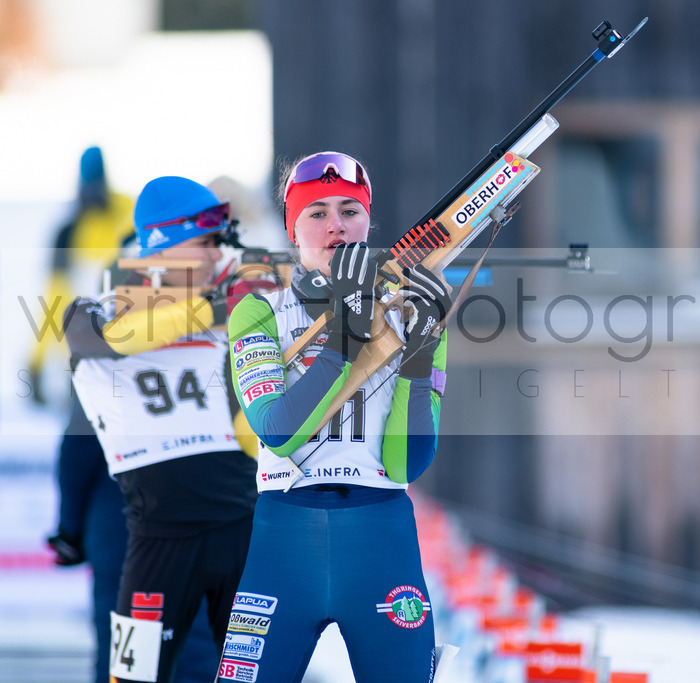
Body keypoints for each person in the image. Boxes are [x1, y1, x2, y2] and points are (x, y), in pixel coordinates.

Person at [216, 151, 450, 682]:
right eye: (316, 213)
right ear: (292, 229)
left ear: (369, 220)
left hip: (380, 536)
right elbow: (276, 431)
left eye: (350, 210)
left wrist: (418, 359)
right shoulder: (261, 309)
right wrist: (343, 338)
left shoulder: (411, 312)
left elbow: (404, 464)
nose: (336, 225)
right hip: (285, 540)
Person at [65, 175, 259, 683]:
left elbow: (253, 433)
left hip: (238, 528)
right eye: (205, 244)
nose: (217, 257)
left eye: (219, 244)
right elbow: (105, 339)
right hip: (158, 542)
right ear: (160, 249)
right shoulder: (91, 312)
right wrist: (212, 309)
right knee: (131, 677)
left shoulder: (237, 312)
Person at [26, 145, 135, 405]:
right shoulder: (69, 230)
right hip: (86, 350)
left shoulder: (125, 213)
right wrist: (35, 365)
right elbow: (52, 305)